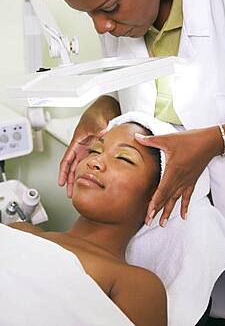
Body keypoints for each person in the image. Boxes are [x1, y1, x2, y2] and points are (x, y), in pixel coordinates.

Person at [40, 0, 225, 283]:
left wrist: (216, 140)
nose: (101, 27)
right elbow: (141, 90)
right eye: (88, 14)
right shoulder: (30, 240)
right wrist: (105, 104)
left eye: (109, 7)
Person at [9, 121, 167, 326]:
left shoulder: (135, 284)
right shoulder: (20, 231)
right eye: (95, 150)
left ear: (157, 195)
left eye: (124, 158)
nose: (95, 161)